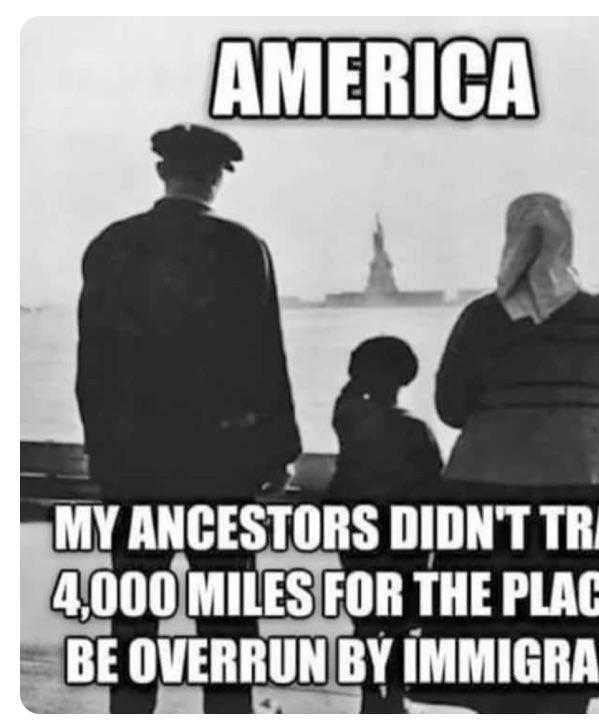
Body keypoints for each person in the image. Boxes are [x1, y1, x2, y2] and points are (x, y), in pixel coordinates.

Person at [75, 123, 301, 713]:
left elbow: (92, 363)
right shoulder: (241, 246)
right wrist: (278, 448)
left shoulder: (111, 245)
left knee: (134, 610)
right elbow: (264, 356)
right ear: (218, 178)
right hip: (219, 462)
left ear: (161, 172)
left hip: (134, 459)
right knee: (226, 614)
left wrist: (100, 449)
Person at [432, 192, 599, 713]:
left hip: (488, 486)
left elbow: (450, 407)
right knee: (569, 629)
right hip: (583, 484)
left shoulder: (480, 317)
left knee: (487, 632)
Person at [328, 337, 443, 713]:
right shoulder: (417, 431)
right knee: (400, 622)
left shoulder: (348, 421)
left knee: (364, 620)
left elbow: (345, 400)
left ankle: (369, 697)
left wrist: (357, 378)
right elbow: (434, 488)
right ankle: (394, 697)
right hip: (405, 539)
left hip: (358, 534)